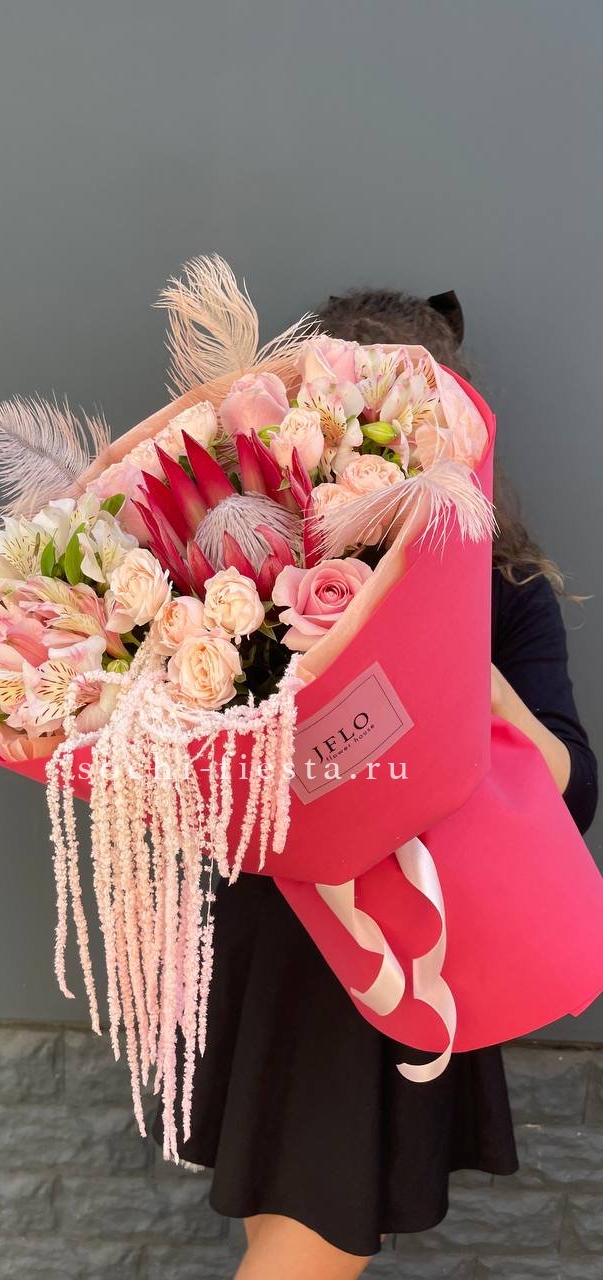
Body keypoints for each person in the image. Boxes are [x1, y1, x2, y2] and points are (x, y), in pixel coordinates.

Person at [151, 287, 598, 1278]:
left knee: (305, 1232)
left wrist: (484, 694)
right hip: (285, 939)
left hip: (413, 941)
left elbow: (574, 786)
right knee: (301, 1234)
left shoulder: (503, 590)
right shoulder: (253, 580)